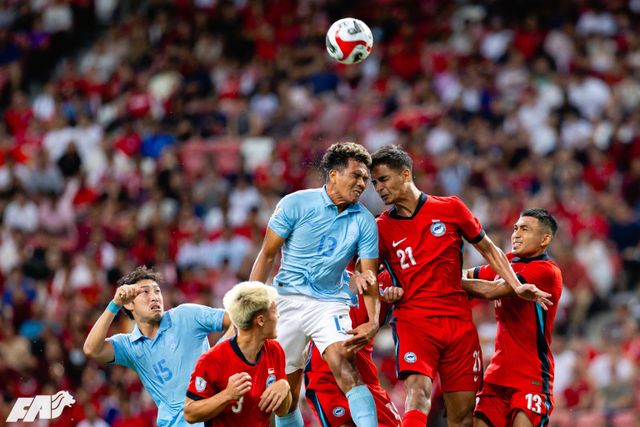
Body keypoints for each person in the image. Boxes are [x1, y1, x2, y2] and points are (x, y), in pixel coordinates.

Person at [369, 145, 552, 427]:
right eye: (374, 182)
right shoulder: (380, 228)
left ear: (406, 175)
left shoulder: (450, 208)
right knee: (417, 394)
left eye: (383, 179)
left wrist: (515, 284)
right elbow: (369, 275)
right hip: (415, 321)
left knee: (464, 417)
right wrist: (386, 290)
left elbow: (490, 250)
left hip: (459, 325)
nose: (378, 188)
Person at [250, 142, 381, 427]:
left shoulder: (366, 222)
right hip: (285, 302)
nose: (362, 183)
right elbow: (267, 254)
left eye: (365, 179)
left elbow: (370, 277)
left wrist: (373, 320)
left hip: (330, 303)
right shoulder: (295, 203)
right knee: (284, 395)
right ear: (333, 175)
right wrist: (249, 305)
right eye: (356, 175)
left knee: (343, 361)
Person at [83, 266, 232, 427]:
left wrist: (218, 353)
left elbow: (237, 320)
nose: (154, 297)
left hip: (211, 419)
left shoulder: (185, 315)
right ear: (129, 304)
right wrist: (115, 304)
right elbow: (91, 349)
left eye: (157, 291)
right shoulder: (130, 345)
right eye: (145, 292)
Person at [462, 208, 563, 427]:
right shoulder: (506, 263)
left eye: (524, 229)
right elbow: (466, 275)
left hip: (530, 377)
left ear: (545, 239)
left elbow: (490, 290)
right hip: (496, 376)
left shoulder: (546, 271)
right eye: (515, 228)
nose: (515, 234)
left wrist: (440, 277)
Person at [304, 265, 403, 427]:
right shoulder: (336, 264)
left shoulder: (390, 278)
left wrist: (398, 296)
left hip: (364, 377)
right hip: (326, 375)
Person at [183, 281, 291, 426]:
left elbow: (282, 411)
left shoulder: (275, 350)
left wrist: (284, 386)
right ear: (260, 320)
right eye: (274, 311)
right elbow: (190, 413)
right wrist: (227, 395)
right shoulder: (212, 359)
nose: (278, 316)